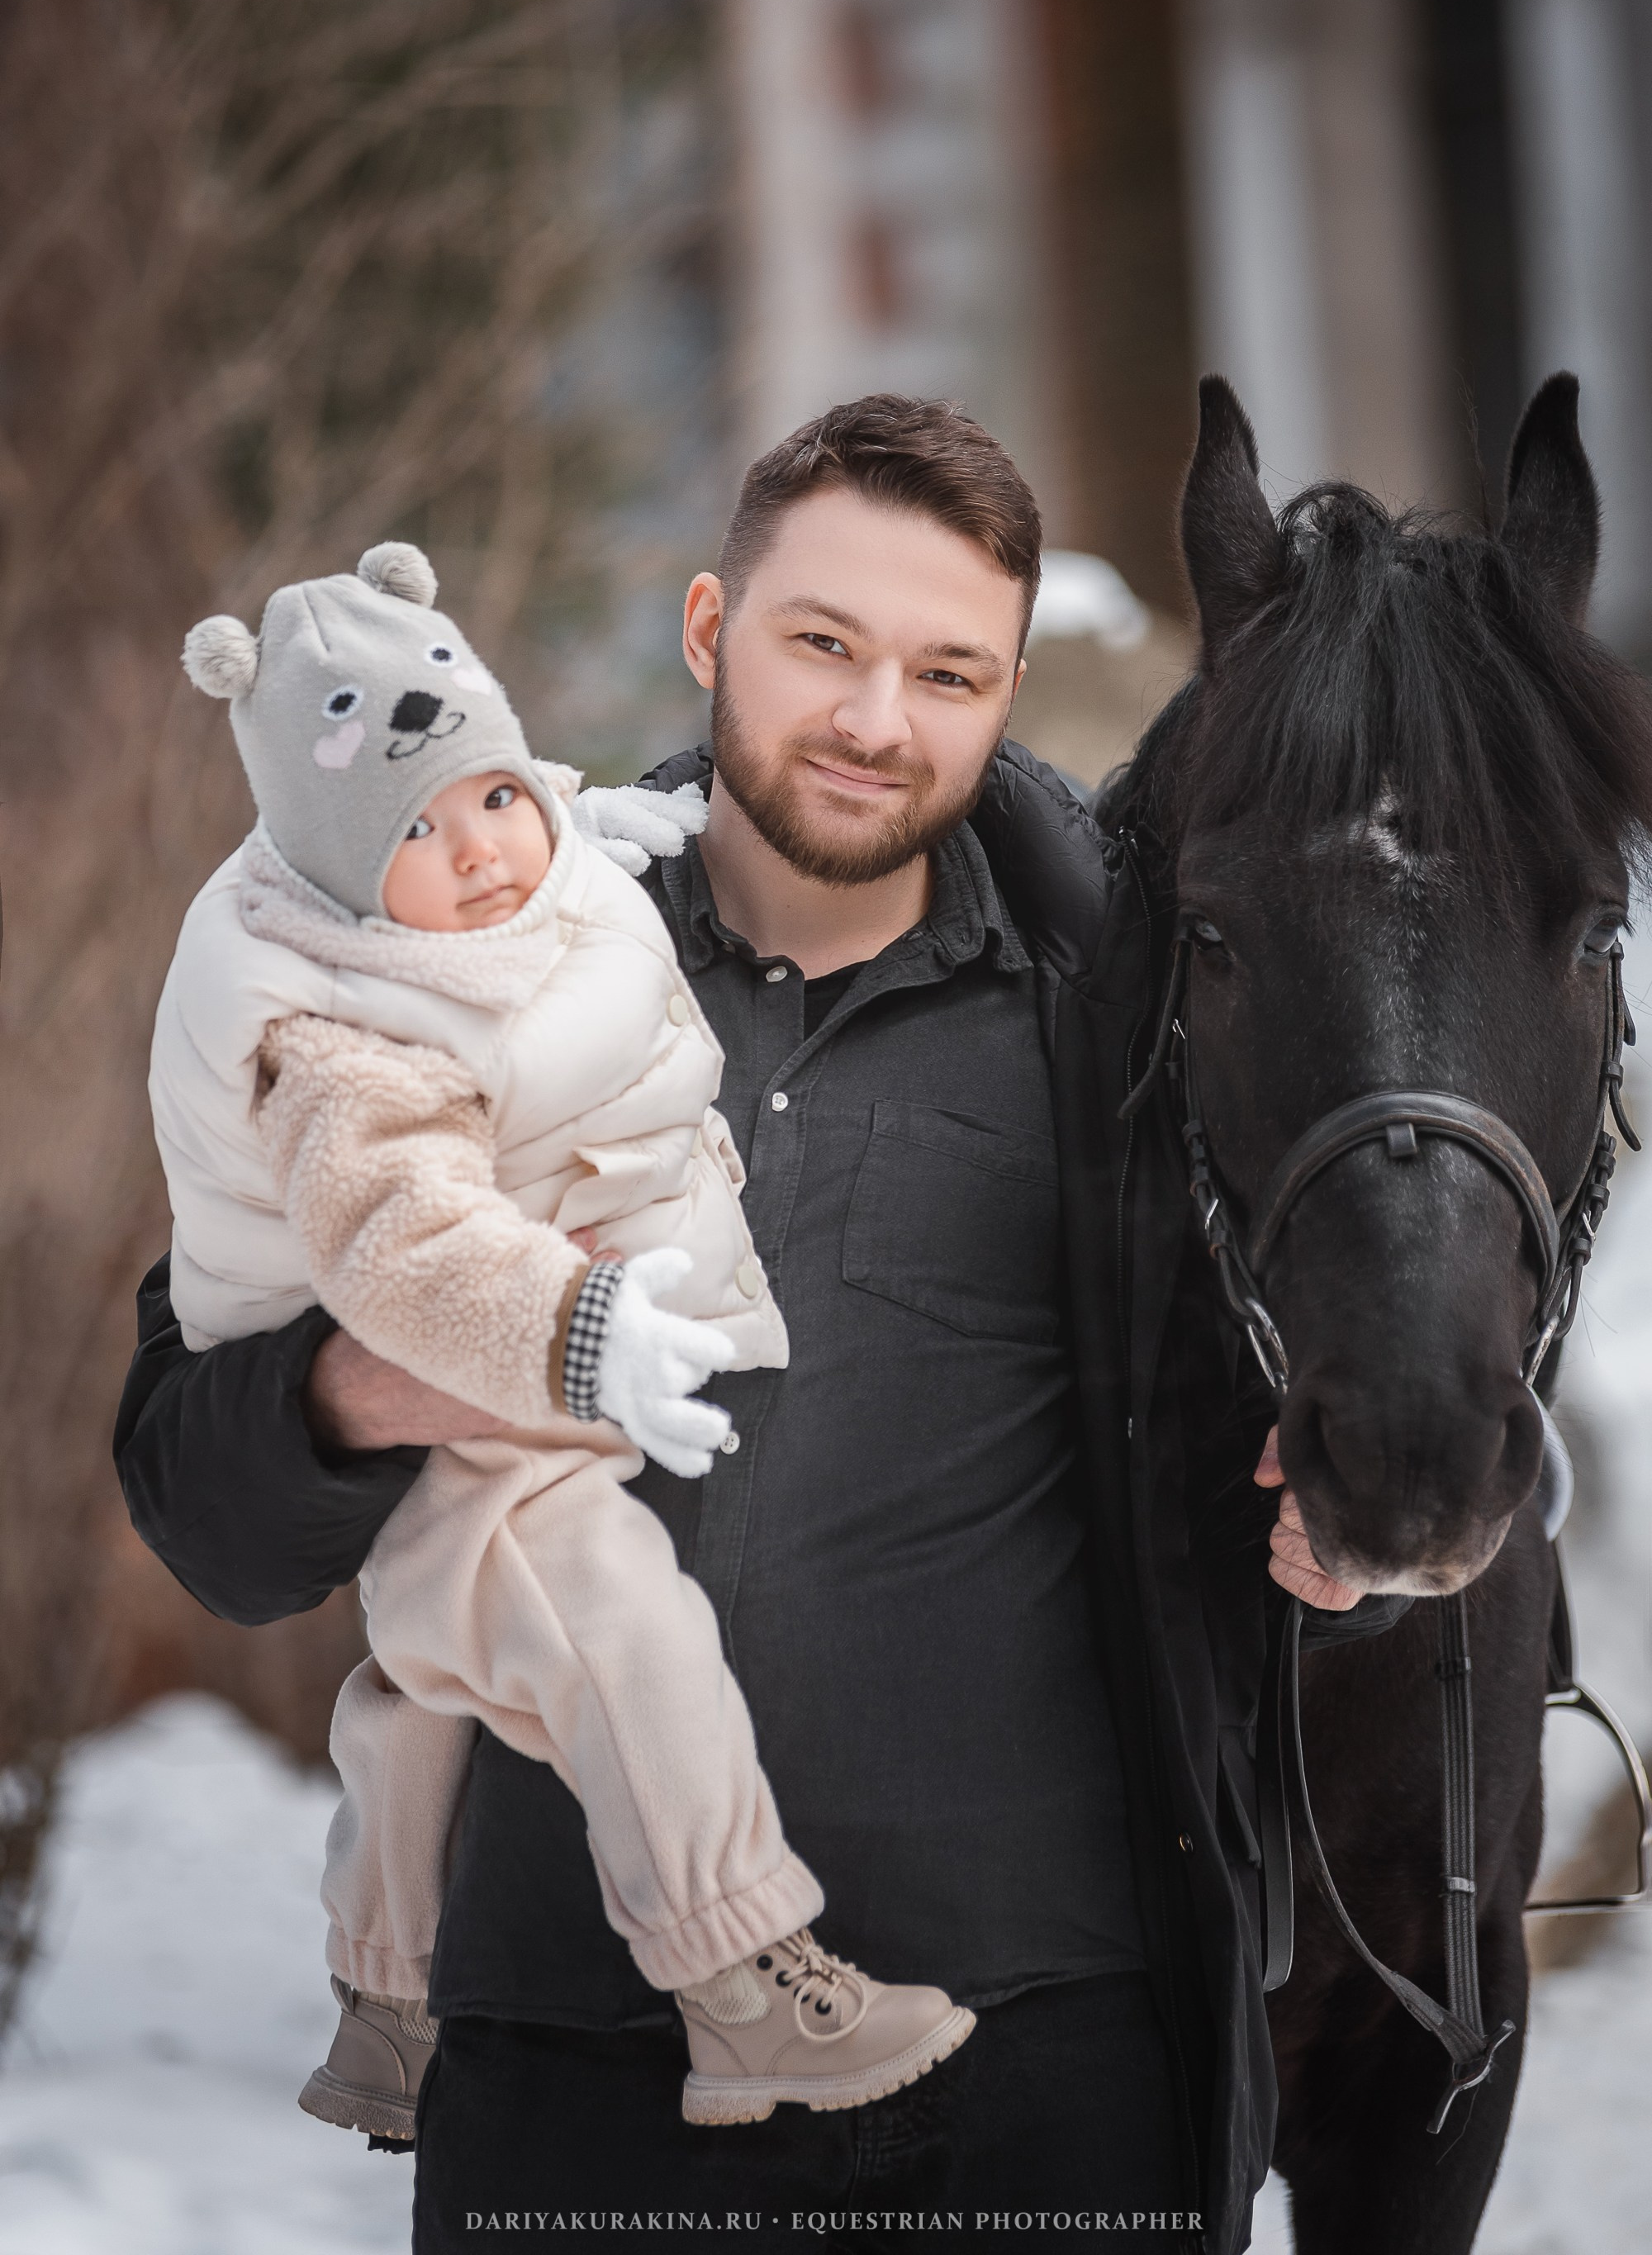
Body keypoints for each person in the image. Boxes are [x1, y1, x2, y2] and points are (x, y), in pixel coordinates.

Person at [117, 396, 1399, 2251]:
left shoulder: (1118, 1026)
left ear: (1010, 689)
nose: (881, 721)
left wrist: (1314, 1506)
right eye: (825, 645)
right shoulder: (434, 976)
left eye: (950, 672)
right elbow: (191, 1497)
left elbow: (1247, 1428)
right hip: (579, 2082)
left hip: (1053, 2075)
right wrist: (369, 1378)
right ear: (713, 632)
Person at [150, 539, 974, 2143]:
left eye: (497, 800)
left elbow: (527, 863)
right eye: (417, 831)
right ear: (331, 875)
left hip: (513, 1348)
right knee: (610, 1624)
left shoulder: (515, 872)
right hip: (453, 1368)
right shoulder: (329, 1041)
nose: (480, 856)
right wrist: (581, 1333)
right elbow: (407, 1248)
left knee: (436, 1680)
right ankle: (743, 1985)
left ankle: (389, 2010)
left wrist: (601, 826)